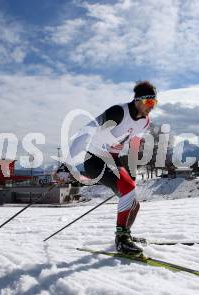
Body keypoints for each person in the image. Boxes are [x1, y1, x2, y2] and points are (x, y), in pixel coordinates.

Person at [55, 81, 157, 255]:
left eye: (155, 103)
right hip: (95, 160)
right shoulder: (117, 112)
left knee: (134, 204)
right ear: (138, 100)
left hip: (113, 160)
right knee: (128, 189)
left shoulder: (145, 122)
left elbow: (133, 142)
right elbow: (86, 131)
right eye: (149, 102)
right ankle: (121, 240)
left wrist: (131, 171)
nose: (152, 107)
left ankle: (126, 235)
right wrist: (67, 164)